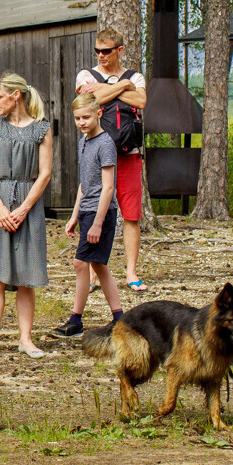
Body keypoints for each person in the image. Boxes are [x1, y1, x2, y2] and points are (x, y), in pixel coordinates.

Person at [0, 73, 54, 358]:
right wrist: (0, 207)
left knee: (25, 278)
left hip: (29, 207)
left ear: (15, 95)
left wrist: (24, 209)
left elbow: (45, 173)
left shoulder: (41, 129)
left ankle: (26, 340)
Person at [76, 28, 149, 292]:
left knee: (131, 214)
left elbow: (141, 101)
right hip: (97, 154)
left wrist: (106, 89)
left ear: (120, 50)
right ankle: (92, 274)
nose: (101, 55)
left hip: (128, 154)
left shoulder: (136, 76)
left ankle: (131, 272)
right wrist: (122, 87)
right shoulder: (86, 75)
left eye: (106, 51)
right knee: (93, 208)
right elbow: (88, 100)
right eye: (97, 50)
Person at [53, 93, 124, 338]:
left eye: (86, 117)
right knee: (98, 265)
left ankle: (76, 321)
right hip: (86, 211)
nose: (81, 122)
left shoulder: (105, 144)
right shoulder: (83, 142)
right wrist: (74, 215)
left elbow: (108, 187)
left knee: (80, 263)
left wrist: (97, 223)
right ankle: (120, 319)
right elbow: (84, 184)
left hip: (101, 213)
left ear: (98, 114)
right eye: (77, 118)